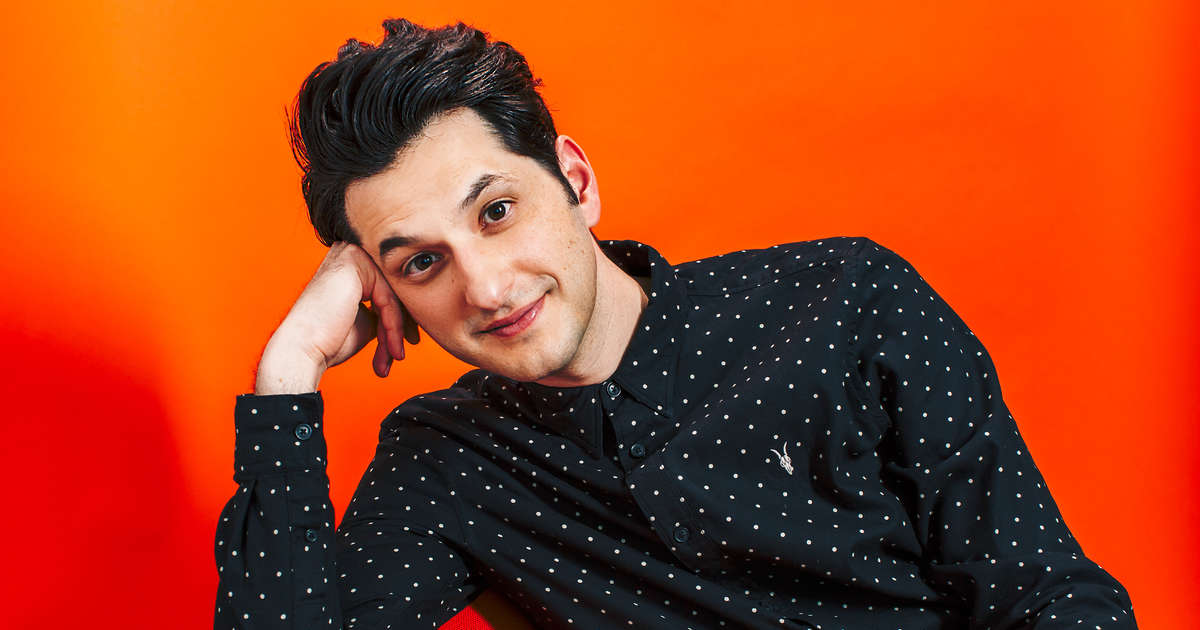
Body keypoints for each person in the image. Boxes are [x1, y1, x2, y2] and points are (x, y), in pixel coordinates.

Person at [213, 18, 1137, 629]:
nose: (485, 289)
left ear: (576, 182)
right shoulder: (445, 464)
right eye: (421, 262)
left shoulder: (845, 301)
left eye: (496, 212)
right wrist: (289, 371)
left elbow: (1046, 594)